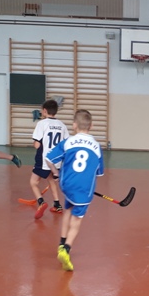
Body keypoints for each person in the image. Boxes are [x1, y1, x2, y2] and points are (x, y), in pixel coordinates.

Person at [45, 110, 104, 272]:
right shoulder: (97, 147)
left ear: (74, 125)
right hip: (83, 190)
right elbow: (99, 173)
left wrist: (56, 174)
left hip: (66, 184)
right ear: (91, 126)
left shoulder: (68, 142)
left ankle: (61, 243)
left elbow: (49, 159)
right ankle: (66, 249)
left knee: (68, 210)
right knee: (77, 219)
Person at [31, 99, 69, 219]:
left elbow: (37, 144)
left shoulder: (42, 124)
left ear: (44, 111)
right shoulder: (62, 125)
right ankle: (57, 204)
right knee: (51, 180)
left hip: (44, 159)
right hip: (57, 160)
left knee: (33, 182)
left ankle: (41, 202)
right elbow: (66, 143)